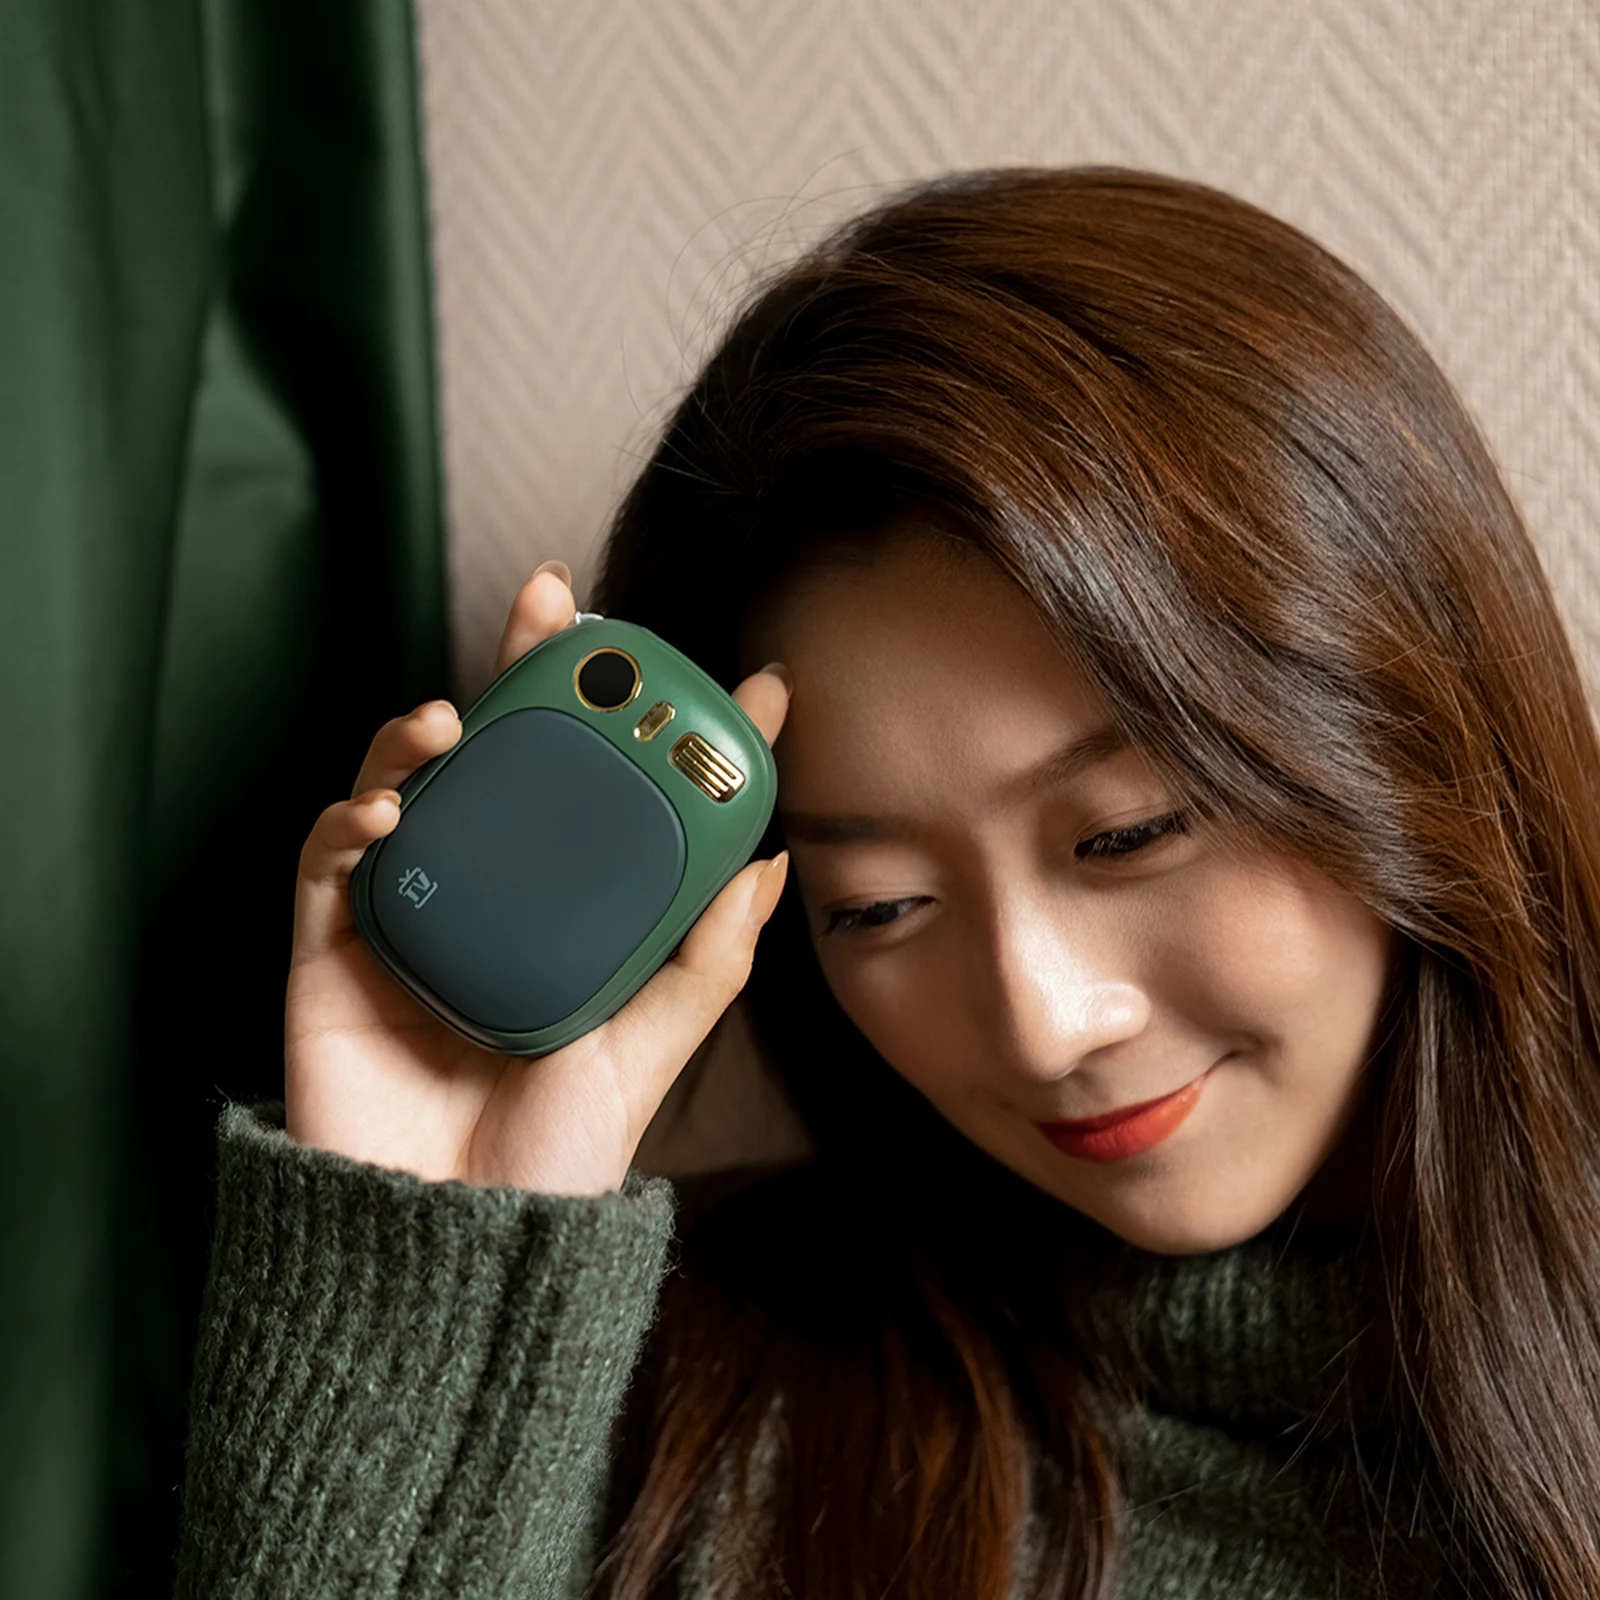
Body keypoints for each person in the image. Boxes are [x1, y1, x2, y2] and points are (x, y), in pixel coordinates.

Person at [172, 167, 1600, 1599]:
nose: (1043, 1025)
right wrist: (429, 1264)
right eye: (878, 908)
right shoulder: (688, 1414)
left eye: (1126, 835)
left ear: (1408, 725)